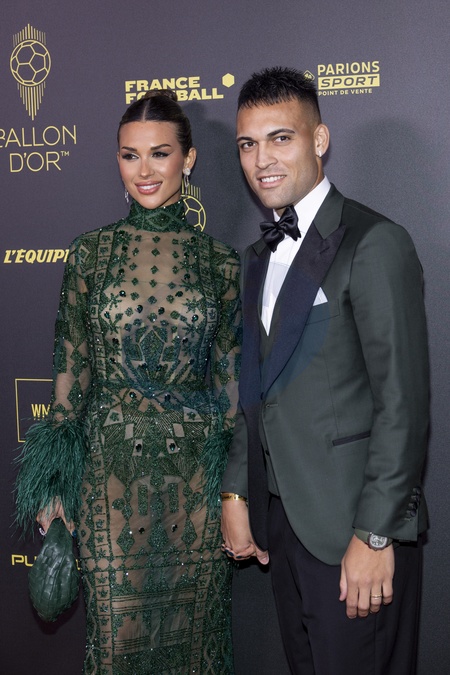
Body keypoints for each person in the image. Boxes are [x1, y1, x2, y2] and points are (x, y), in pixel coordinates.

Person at [16, 89, 241, 674]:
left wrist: (233, 493)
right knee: (117, 646)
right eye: (129, 155)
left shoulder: (221, 263)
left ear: (188, 159)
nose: (144, 171)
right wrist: (55, 483)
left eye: (160, 154)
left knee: (195, 648)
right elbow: (70, 377)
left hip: (196, 487)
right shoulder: (88, 255)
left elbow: (232, 390)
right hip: (108, 483)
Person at [221, 66, 429, 675]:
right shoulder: (255, 259)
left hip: (353, 532)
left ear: (319, 140)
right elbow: (252, 389)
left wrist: (376, 535)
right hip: (285, 528)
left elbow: (403, 405)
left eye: (280, 138)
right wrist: (237, 490)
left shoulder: (374, 242)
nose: (261, 159)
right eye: (247, 144)